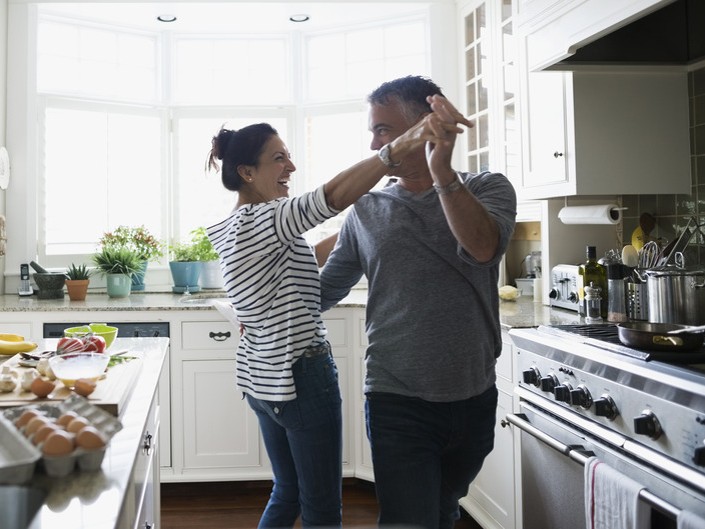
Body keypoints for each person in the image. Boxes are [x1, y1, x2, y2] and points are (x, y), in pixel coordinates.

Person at [205, 99, 472, 529]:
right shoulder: (267, 218)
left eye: (289, 155)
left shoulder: (237, 226)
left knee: (287, 490)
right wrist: (398, 148)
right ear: (247, 173)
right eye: (278, 158)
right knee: (323, 510)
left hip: (262, 378)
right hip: (301, 378)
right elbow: (329, 197)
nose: (290, 166)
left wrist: (357, 224)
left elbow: (302, 257)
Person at [319, 75, 518, 529]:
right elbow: (324, 290)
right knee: (409, 520)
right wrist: (261, 311)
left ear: (424, 127)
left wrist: (442, 172)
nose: (374, 143)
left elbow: (482, 250)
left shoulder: (489, 188)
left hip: (473, 395)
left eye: (383, 130)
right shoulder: (367, 209)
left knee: (445, 508)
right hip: (396, 397)